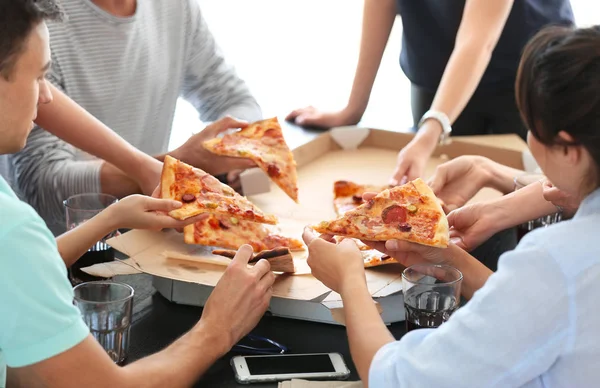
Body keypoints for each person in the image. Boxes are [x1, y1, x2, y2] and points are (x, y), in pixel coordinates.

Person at [303, 24, 600, 386]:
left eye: (531, 128)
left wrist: (349, 280)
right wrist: (448, 258)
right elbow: (534, 315)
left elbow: (398, 378)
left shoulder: (555, 261)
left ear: (569, 149)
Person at [0, 2, 274, 386]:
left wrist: (111, 217)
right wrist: (218, 328)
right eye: (38, 78)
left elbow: (21, 267)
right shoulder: (12, 230)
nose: (46, 99)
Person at [9, 0, 262, 231]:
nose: (44, 95)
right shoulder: (32, 18)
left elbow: (235, 99)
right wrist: (175, 165)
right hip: (60, 250)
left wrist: (229, 150)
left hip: (150, 239)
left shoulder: (176, 7)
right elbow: (42, 186)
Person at [287, 0, 574, 185]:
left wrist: (432, 128)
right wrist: (352, 109)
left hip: (524, 70)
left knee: (527, 193)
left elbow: (477, 41)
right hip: (435, 64)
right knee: (439, 187)